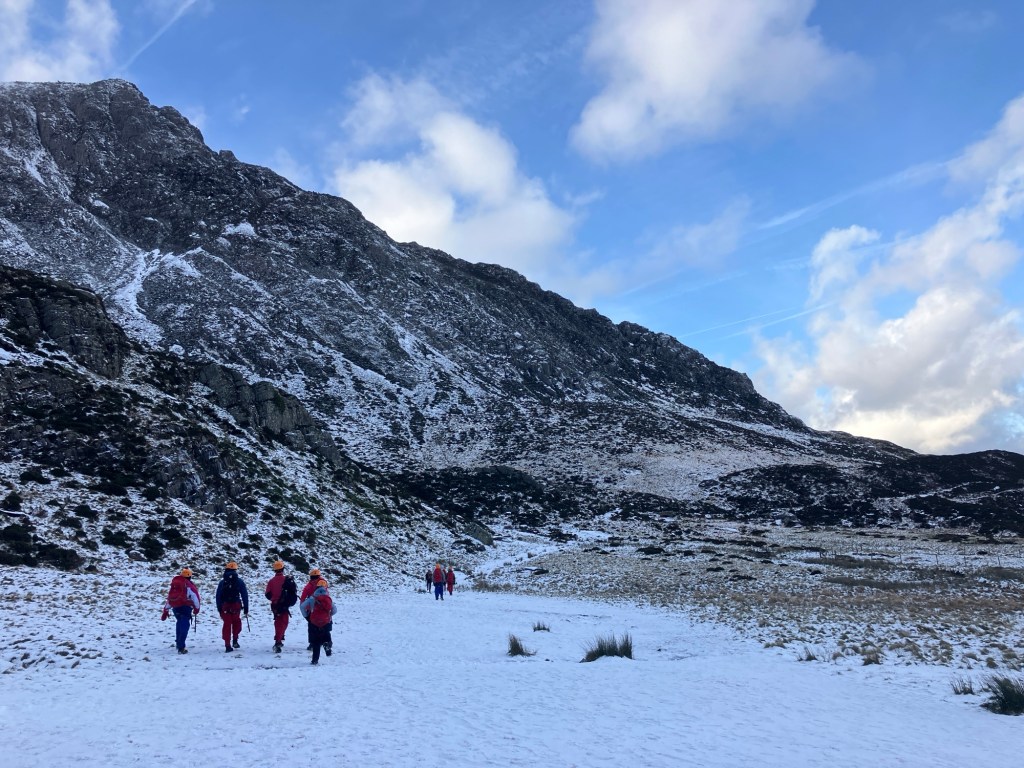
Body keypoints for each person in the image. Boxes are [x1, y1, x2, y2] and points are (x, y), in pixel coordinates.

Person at [161, 567, 200, 654]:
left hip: (175, 607)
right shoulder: (189, 585)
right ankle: (181, 646)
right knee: (184, 625)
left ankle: (178, 643)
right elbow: (195, 598)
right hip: (185, 608)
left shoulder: (176, 585)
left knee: (179, 622)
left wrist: (165, 610)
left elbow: (171, 597)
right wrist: (197, 608)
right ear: (190, 576)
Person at [300, 578, 336, 665]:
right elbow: (335, 610)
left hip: (314, 621)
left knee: (316, 642)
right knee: (326, 634)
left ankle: (315, 660)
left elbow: (302, 606)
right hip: (326, 621)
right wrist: (329, 615)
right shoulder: (328, 598)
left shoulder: (312, 598)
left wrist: (306, 616)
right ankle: (326, 645)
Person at [215, 561, 249, 652]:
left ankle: (227, 645)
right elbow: (244, 595)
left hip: (225, 606)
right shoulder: (239, 581)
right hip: (236, 605)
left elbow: (218, 595)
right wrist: (246, 607)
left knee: (227, 624)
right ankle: (235, 639)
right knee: (236, 622)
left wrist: (219, 607)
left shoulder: (222, 582)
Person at [264, 560, 293, 653]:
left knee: (278, 621)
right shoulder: (287, 580)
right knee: (284, 622)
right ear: (283, 569)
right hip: (284, 605)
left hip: (275, 605)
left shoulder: (271, 581)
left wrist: (274, 598)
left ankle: (279, 638)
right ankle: (278, 640)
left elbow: (267, 594)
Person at [301, 568, 323, 650]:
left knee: (311, 627)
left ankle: (312, 643)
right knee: (323, 625)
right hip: (322, 609)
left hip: (312, 610)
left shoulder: (308, 586)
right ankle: (325, 641)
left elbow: (302, 599)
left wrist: (305, 612)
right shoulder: (323, 584)